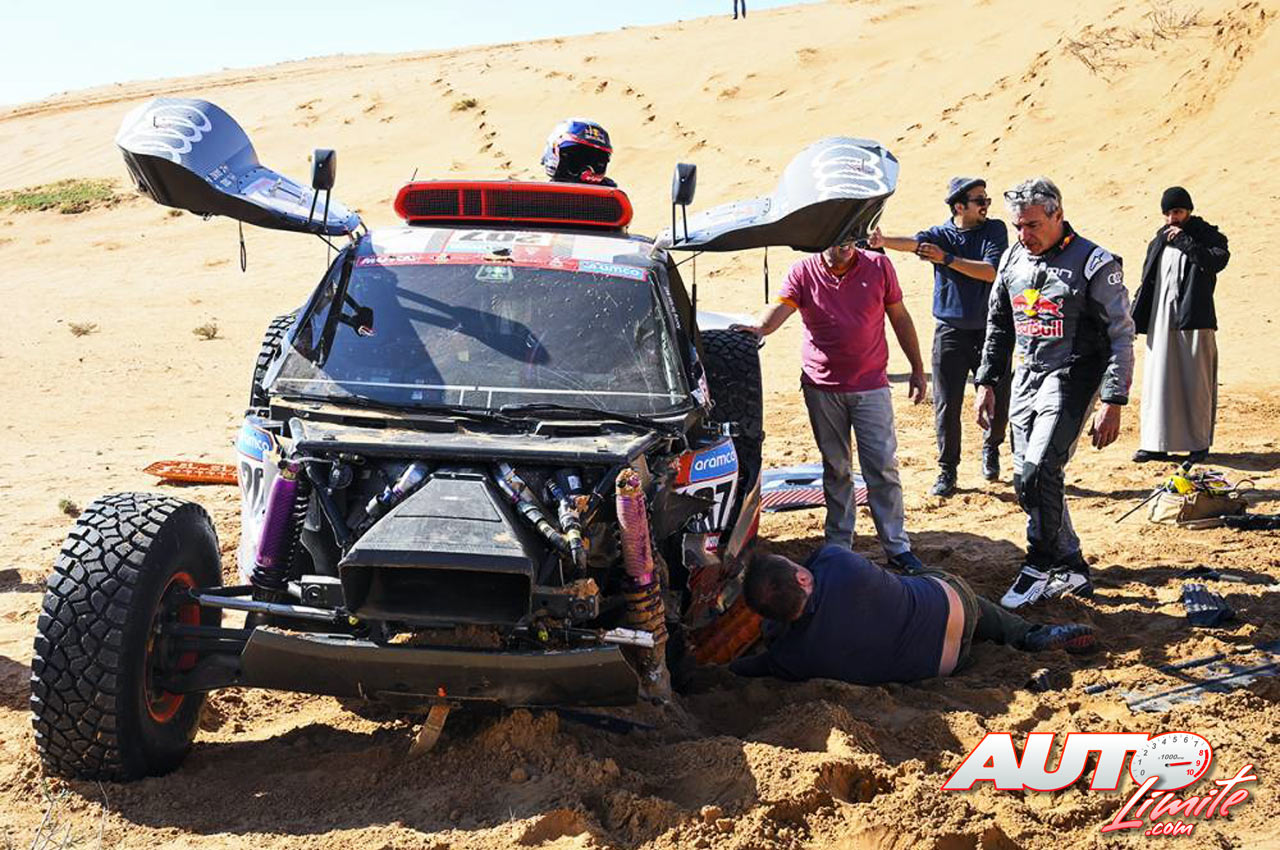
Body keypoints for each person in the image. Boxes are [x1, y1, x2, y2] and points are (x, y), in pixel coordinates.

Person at [975, 177, 1135, 609]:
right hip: (1026, 375)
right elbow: (999, 324)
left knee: (1041, 470)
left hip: (1071, 375)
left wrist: (1113, 399)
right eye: (1018, 226)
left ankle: (1040, 564)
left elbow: (1121, 334)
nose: (1023, 235)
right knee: (1026, 480)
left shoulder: (1095, 262)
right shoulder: (1012, 257)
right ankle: (1072, 566)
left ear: (1057, 215)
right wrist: (987, 381)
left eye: (1032, 225)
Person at [732, 236, 927, 573]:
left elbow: (900, 317)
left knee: (882, 466)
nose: (845, 246)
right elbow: (779, 311)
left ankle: (897, 546)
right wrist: (759, 327)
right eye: (837, 241)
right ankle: (839, 544)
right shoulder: (803, 271)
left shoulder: (879, 266)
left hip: (871, 386)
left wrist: (917, 368)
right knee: (836, 467)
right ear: (820, 242)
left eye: (850, 239)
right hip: (822, 387)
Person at [728, 545, 1096, 684]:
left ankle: (1019, 634)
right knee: (923, 580)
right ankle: (1028, 634)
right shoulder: (837, 562)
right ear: (802, 577)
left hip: (940, 668)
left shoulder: (792, 659)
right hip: (953, 609)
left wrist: (771, 631)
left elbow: (747, 667)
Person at [871, 177, 1011, 496]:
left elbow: (991, 271)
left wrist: (946, 259)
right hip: (950, 331)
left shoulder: (994, 230)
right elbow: (914, 243)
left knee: (999, 399)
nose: (986, 205)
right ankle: (948, 469)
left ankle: (992, 447)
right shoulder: (941, 234)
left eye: (986, 199)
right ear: (959, 206)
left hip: (991, 330)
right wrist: (883, 241)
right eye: (979, 200)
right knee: (947, 404)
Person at [1130, 187, 1230, 464]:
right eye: (1168, 213)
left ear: (1189, 211)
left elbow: (1216, 261)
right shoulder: (1159, 240)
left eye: (1178, 212)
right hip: (1160, 318)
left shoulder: (1207, 235)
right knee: (1158, 380)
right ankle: (1155, 444)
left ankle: (1198, 444)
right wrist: (1134, 316)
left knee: (1195, 382)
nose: (1172, 218)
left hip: (1194, 318)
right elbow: (1147, 279)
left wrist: (1186, 241)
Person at [540, 119, 616, 187]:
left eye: (596, 163)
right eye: (576, 159)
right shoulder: (539, 194)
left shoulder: (611, 195)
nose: (587, 172)